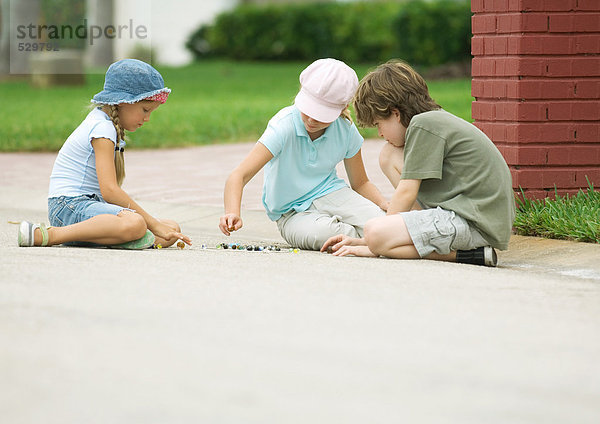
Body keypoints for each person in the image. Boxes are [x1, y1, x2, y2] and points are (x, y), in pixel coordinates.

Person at [321, 60, 515, 266]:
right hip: (474, 218)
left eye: (379, 124)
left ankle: (463, 255)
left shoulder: (423, 124)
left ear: (395, 113)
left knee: (375, 231)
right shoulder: (430, 121)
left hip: (475, 224)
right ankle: (410, 238)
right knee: (388, 155)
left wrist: (375, 240)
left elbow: (407, 192)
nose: (379, 133)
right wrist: (368, 241)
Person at [18, 59, 191, 249]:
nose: (147, 118)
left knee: (171, 228)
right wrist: (153, 223)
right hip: (69, 207)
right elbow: (110, 191)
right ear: (124, 102)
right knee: (136, 223)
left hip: (86, 207)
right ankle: (49, 235)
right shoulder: (102, 128)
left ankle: (111, 237)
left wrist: (157, 226)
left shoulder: (105, 123)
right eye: (145, 109)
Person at [219, 58, 388, 250]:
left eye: (321, 114)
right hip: (291, 214)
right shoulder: (284, 126)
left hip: (333, 194)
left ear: (342, 108)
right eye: (308, 109)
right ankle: (373, 240)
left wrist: (384, 204)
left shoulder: (346, 130)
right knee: (324, 235)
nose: (311, 119)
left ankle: (374, 238)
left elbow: (361, 183)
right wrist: (232, 212)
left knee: (383, 222)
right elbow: (239, 175)